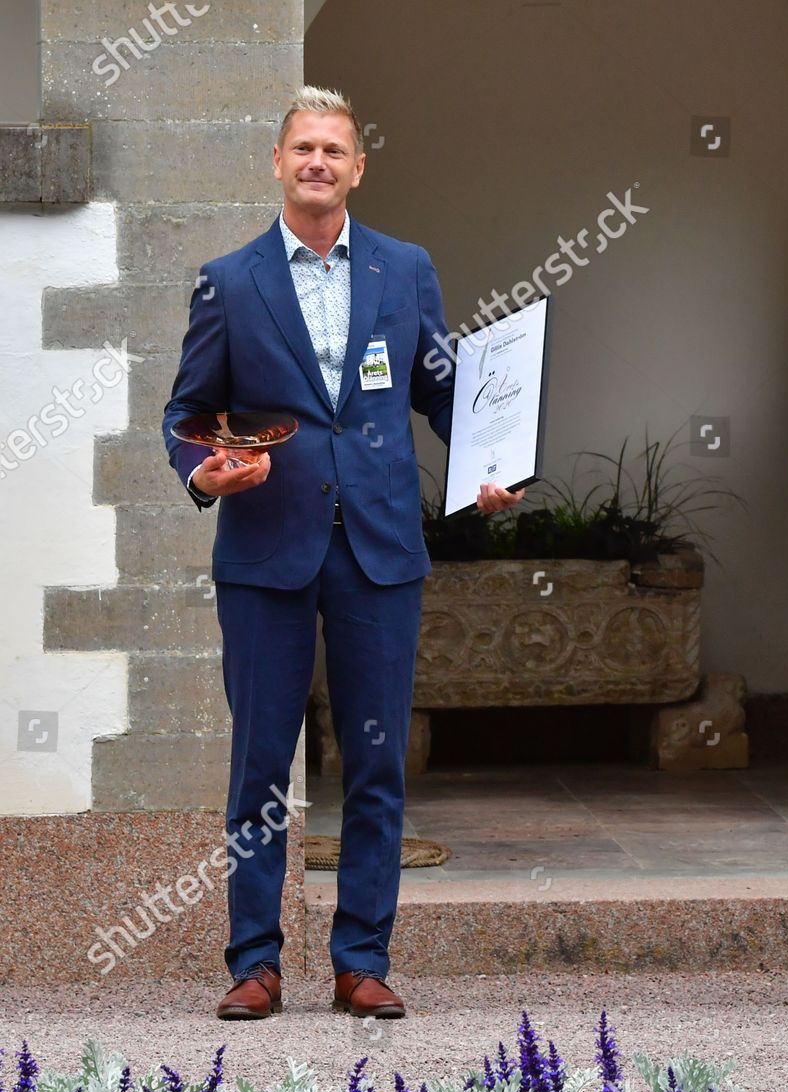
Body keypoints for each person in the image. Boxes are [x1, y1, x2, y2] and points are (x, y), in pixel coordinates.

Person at [162, 87, 522, 1021]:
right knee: (259, 768)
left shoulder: (406, 272)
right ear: (278, 165)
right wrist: (206, 474)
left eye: (335, 150)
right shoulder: (229, 282)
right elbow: (187, 416)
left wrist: (487, 469)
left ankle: (361, 959)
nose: (319, 163)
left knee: (375, 764)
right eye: (304, 149)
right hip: (265, 555)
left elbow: (442, 396)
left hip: (378, 551)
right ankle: (255, 964)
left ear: (358, 167)